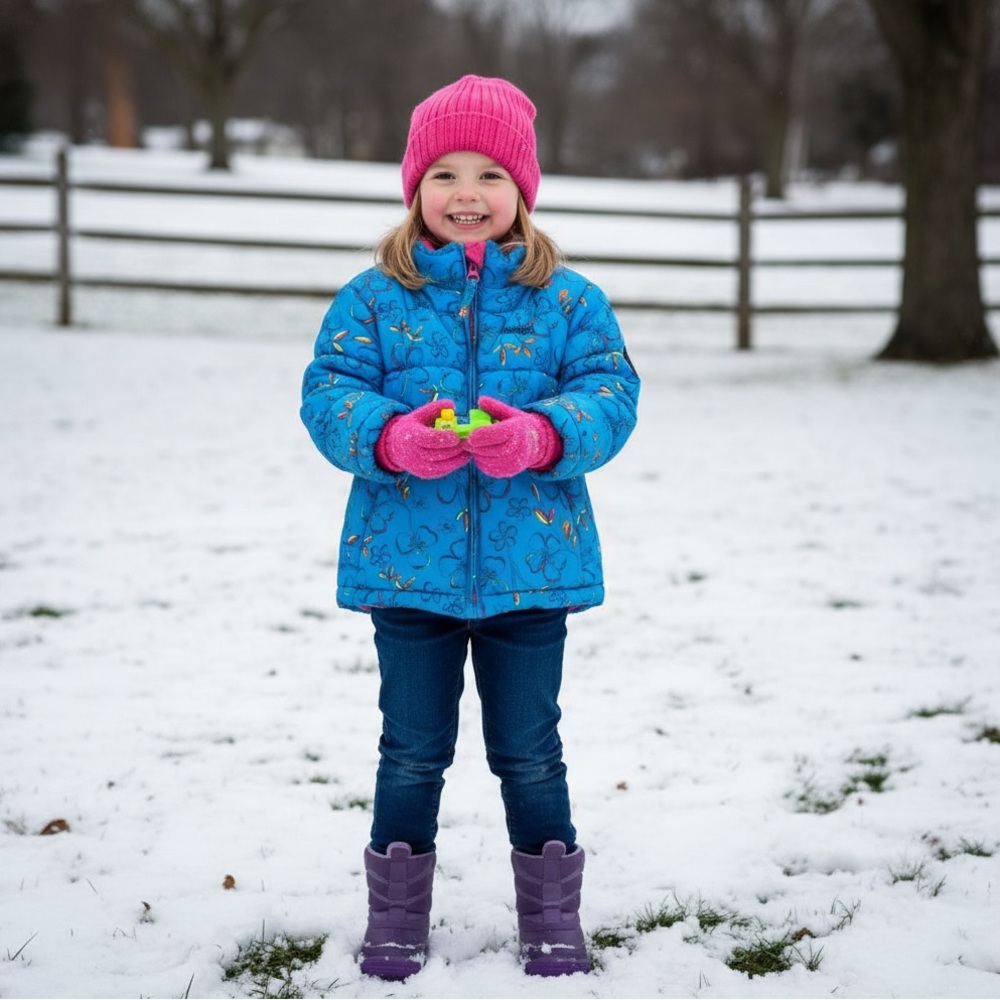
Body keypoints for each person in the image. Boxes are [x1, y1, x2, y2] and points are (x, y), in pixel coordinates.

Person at [300, 74, 640, 981]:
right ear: (414, 187)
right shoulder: (374, 299)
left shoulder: (567, 301)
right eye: (444, 173)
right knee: (412, 752)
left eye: (490, 174)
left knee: (530, 752)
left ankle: (553, 921)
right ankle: (396, 921)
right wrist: (390, 438)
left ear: (522, 189)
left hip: (531, 571)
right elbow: (329, 394)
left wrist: (541, 436)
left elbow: (611, 394)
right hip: (408, 574)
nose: (466, 193)